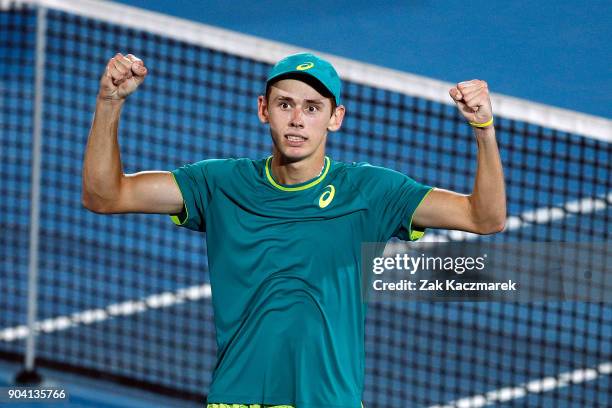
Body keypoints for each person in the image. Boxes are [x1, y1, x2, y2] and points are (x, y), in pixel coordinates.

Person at [82, 52, 506, 408]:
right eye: (285, 105)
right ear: (263, 109)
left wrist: (483, 130)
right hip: (238, 399)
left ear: (335, 118)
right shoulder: (219, 184)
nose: (297, 120)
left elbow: (483, 218)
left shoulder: (372, 191)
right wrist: (108, 102)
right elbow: (106, 196)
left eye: (312, 107)